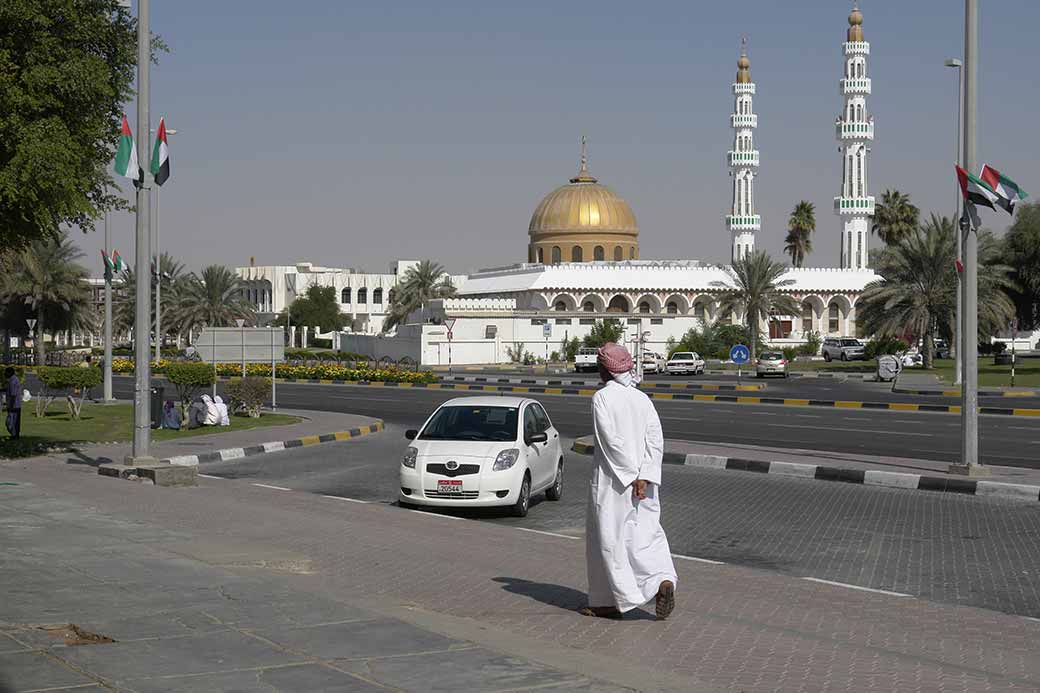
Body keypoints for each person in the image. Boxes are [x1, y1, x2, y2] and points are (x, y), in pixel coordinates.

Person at [583, 342, 677, 620]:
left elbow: (611, 442)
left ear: (603, 370)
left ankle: (610, 602)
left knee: (610, 541)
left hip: (614, 483)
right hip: (645, 486)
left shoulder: (602, 398)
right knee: (646, 535)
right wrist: (646, 476)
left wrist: (632, 476)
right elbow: (655, 441)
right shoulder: (642, 399)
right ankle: (661, 579)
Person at [4, 367, 22, 440]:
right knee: (13, 422)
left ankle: (14, 436)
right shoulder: (13, 379)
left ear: (9, 373)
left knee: (11, 422)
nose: (4, 374)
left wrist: (11, 406)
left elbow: (13, 395)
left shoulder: (13, 381)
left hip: (14, 406)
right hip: (15, 405)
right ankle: (14, 436)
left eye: (6, 372)